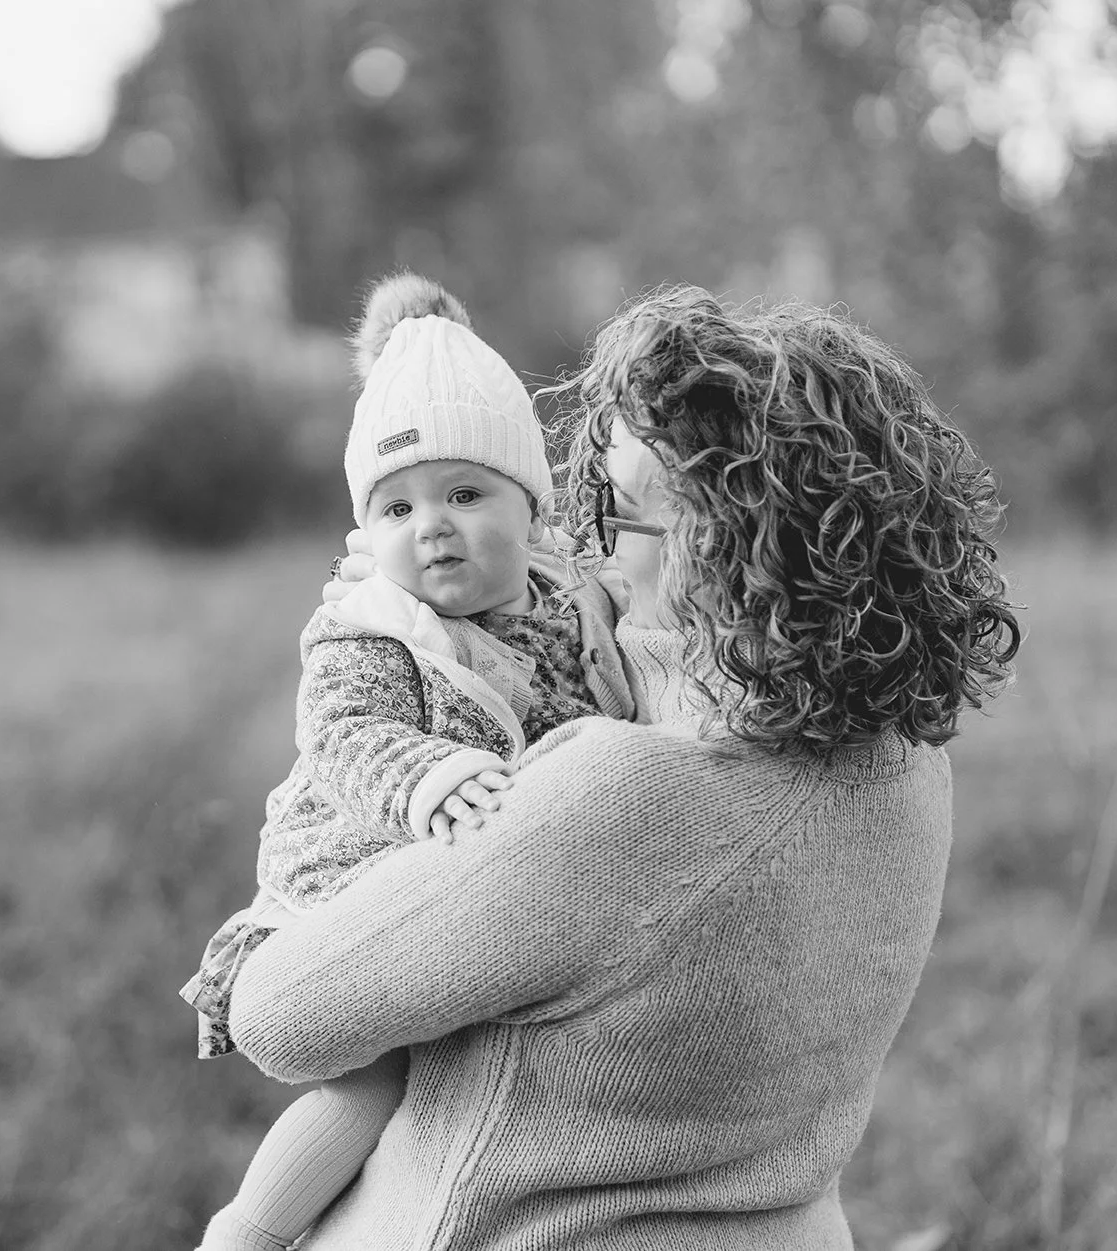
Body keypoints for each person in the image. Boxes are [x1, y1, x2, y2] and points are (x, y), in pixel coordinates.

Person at [225, 284, 1021, 1248]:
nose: (594, 547)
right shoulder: (903, 758)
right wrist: (442, 625)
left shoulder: (621, 800)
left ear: (721, 551)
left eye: (623, 515)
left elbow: (279, 1012)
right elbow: (652, 655)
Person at [181, 274, 637, 1251]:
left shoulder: (572, 599)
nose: (429, 525)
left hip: (494, 871)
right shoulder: (373, 629)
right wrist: (426, 775)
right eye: (395, 508)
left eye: (464, 493)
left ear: (530, 506)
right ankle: (250, 1231)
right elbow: (345, 739)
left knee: (468, 1069)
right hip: (357, 864)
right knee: (375, 1078)